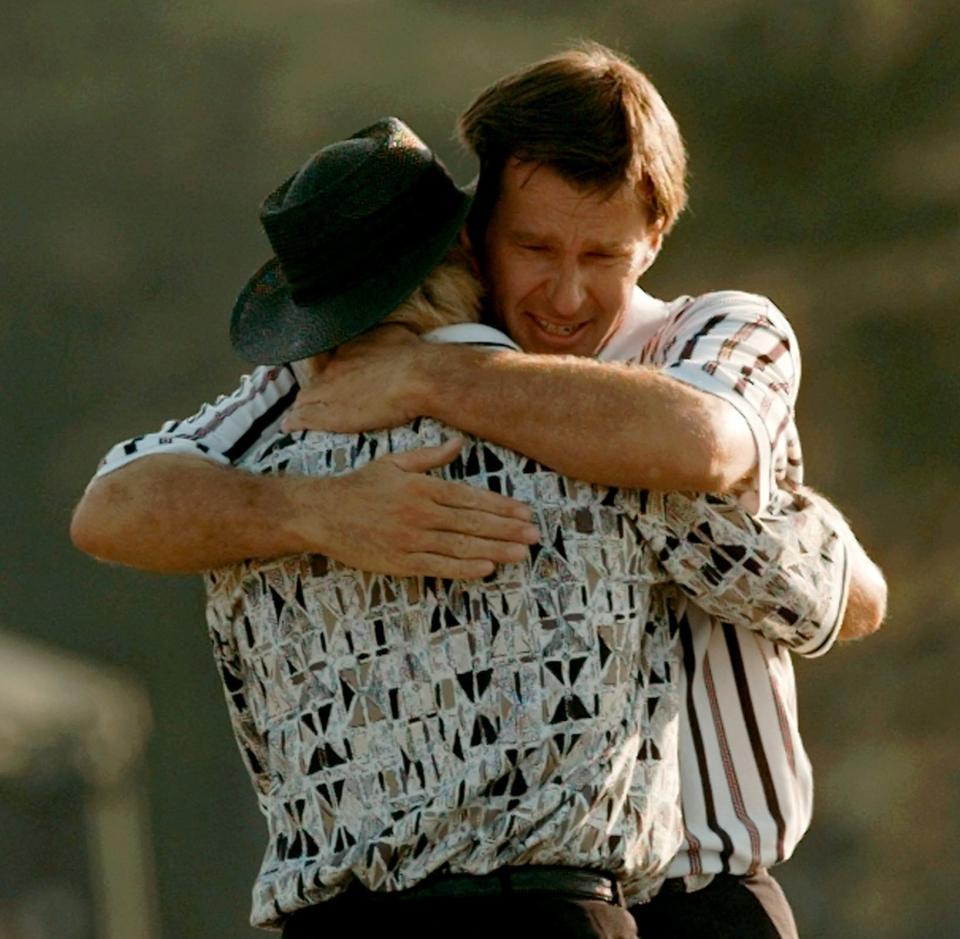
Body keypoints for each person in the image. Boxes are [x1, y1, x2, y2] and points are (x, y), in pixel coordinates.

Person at [70, 46, 885, 938]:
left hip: (701, 890)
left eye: (603, 254)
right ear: (473, 232)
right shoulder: (322, 386)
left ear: (655, 238)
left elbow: (701, 443)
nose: (567, 293)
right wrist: (324, 514)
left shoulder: (715, 335)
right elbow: (112, 507)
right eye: (533, 246)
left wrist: (430, 377)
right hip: (563, 900)